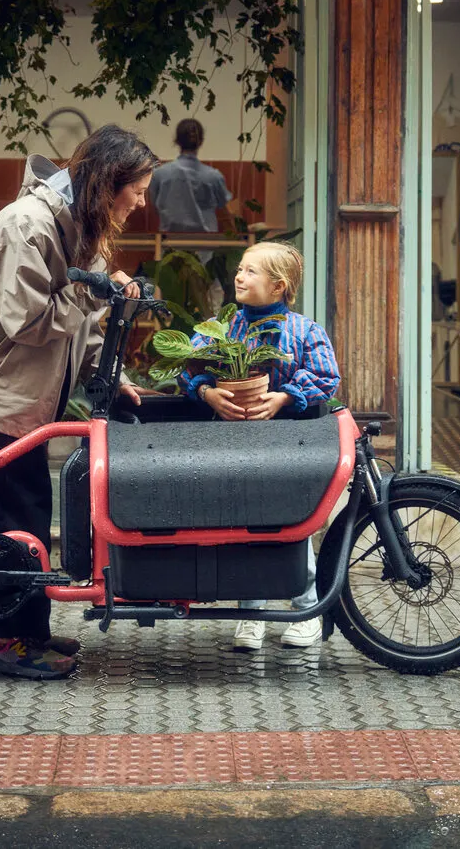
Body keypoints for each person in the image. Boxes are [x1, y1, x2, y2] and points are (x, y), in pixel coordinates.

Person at [0, 125, 154, 679]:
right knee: (10, 522)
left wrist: (112, 375)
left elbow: (80, 331)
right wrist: (90, 289)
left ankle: (27, 632)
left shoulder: (82, 232)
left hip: (25, 401)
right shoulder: (25, 227)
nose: (143, 202)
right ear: (109, 184)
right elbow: (27, 322)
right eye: (139, 189)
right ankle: (5, 643)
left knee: (30, 518)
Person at [182, 241, 341, 651]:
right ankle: (250, 615)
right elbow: (187, 368)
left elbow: (326, 376)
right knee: (242, 523)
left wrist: (285, 397)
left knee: (293, 524)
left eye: (251, 271)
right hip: (233, 444)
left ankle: (306, 609)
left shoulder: (305, 331)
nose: (239, 276)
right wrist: (207, 393)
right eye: (239, 268)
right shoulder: (225, 327)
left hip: (286, 446)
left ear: (278, 287)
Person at [147, 119, 234, 234]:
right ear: (201, 141)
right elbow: (225, 210)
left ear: (177, 141)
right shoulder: (213, 176)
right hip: (205, 245)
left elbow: (155, 206)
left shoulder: (159, 175)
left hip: (169, 244)